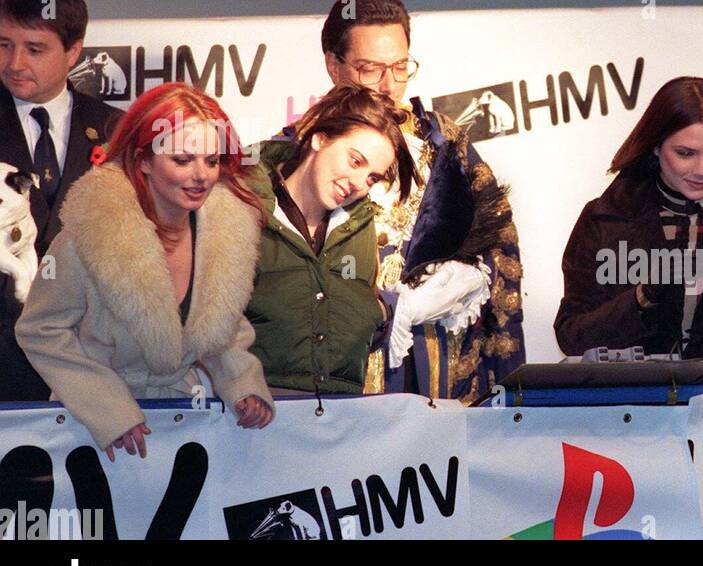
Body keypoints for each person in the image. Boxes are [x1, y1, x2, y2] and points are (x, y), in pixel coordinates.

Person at [16, 82, 274, 461]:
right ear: (143, 161)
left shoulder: (226, 237)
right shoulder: (88, 234)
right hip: (91, 433)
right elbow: (40, 329)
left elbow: (222, 329)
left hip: (182, 424)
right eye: (183, 160)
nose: (201, 175)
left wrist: (243, 384)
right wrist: (109, 409)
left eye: (212, 160)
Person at [320, 0, 525, 403]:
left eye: (400, 67)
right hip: (342, 376)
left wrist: (463, 281)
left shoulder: (445, 142)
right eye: (369, 69)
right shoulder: (305, 147)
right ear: (334, 65)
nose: (388, 85)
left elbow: (501, 246)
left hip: (441, 371)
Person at [553, 77, 703, 383]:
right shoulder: (604, 219)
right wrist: (642, 296)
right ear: (656, 147)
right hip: (630, 409)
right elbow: (572, 336)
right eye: (685, 153)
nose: (702, 170)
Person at [244, 84, 417, 395]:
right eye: (355, 161)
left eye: (372, 177)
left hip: (339, 419)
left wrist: (378, 313)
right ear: (320, 138)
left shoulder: (359, 224)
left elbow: (356, 313)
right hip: (252, 415)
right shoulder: (240, 205)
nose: (359, 184)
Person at [0, 0, 120, 401]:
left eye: (34, 49)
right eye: (3, 44)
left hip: (92, 366)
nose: (15, 62)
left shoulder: (117, 131)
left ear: (73, 51)